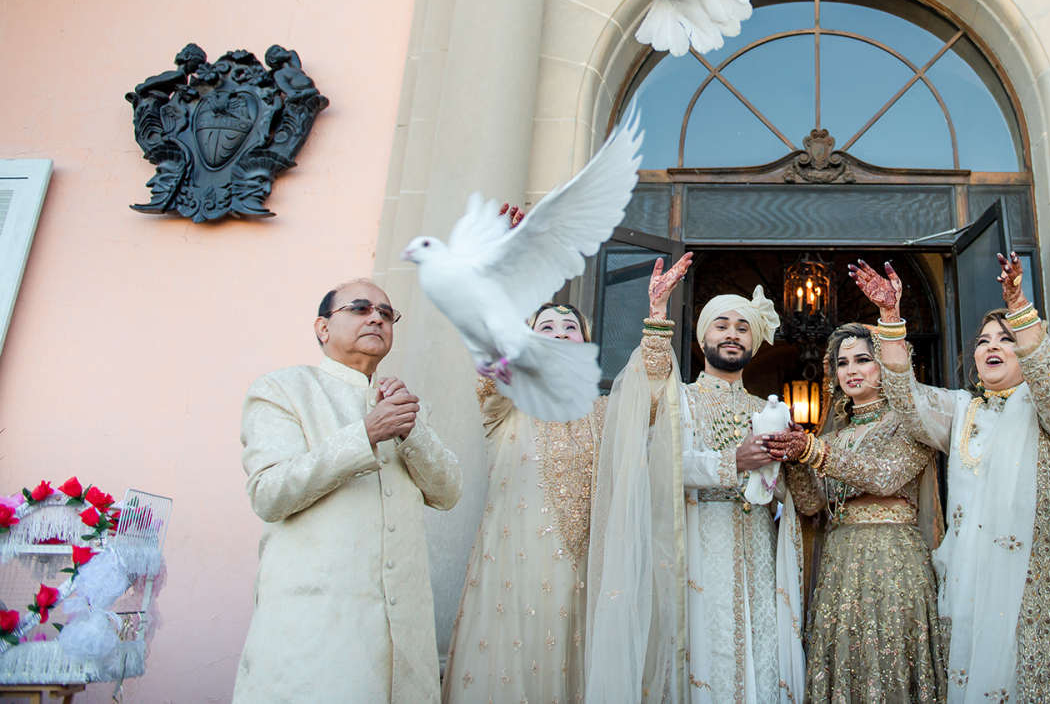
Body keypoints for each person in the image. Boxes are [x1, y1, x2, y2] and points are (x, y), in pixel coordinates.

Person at [857, 254, 1050, 704]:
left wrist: (1019, 304)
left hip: (1042, 587)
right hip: (973, 583)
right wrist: (891, 319)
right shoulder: (961, 410)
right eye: (983, 340)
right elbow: (906, 398)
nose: (992, 346)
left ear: (1031, 349)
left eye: (1008, 338)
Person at [585, 252, 806, 704]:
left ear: (755, 341)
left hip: (759, 557)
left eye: (742, 326)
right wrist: (731, 462)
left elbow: (793, 497)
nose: (731, 334)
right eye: (721, 324)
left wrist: (796, 460)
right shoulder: (678, 402)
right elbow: (655, 465)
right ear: (702, 335)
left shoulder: (768, 412)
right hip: (696, 552)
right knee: (701, 658)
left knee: (761, 657)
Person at [234, 279, 463, 704]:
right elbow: (269, 493)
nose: (376, 317)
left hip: (403, 631)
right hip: (318, 625)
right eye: (359, 308)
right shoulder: (284, 390)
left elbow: (448, 493)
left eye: (386, 313)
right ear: (323, 328)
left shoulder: (407, 406)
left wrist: (410, 430)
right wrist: (366, 435)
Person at [767, 323, 943, 704]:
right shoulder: (831, 438)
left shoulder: (911, 426)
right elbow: (813, 505)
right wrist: (796, 460)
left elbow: (885, 476)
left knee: (892, 654)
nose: (852, 370)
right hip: (840, 561)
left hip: (895, 558)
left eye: (863, 359)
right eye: (842, 363)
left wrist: (814, 452)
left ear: (885, 366)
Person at [442, 302, 605, 704]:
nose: (560, 332)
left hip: (583, 562)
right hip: (515, 560)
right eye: (546, 327)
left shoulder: (602, 411)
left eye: (571, 327)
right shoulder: (508, 401)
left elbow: (650, 416)